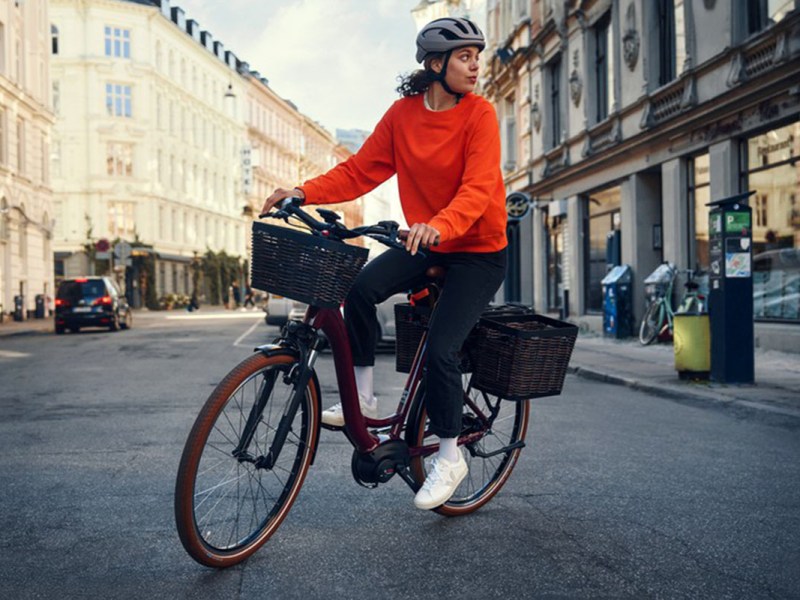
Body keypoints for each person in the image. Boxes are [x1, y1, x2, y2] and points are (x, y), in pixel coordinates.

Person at [261, 17, 507, 511]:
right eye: (465, 56)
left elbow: (478, 188)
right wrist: (303, 191)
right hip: (429, 242)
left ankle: (449, 455)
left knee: (440, 350)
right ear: (436, 65)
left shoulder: (480, 115)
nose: (476, 64)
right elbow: (360, 170)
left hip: (478, 251)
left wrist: (440, 223)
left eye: (477, 54)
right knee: (358, 288)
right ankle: (366, 397)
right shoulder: (402, 116)